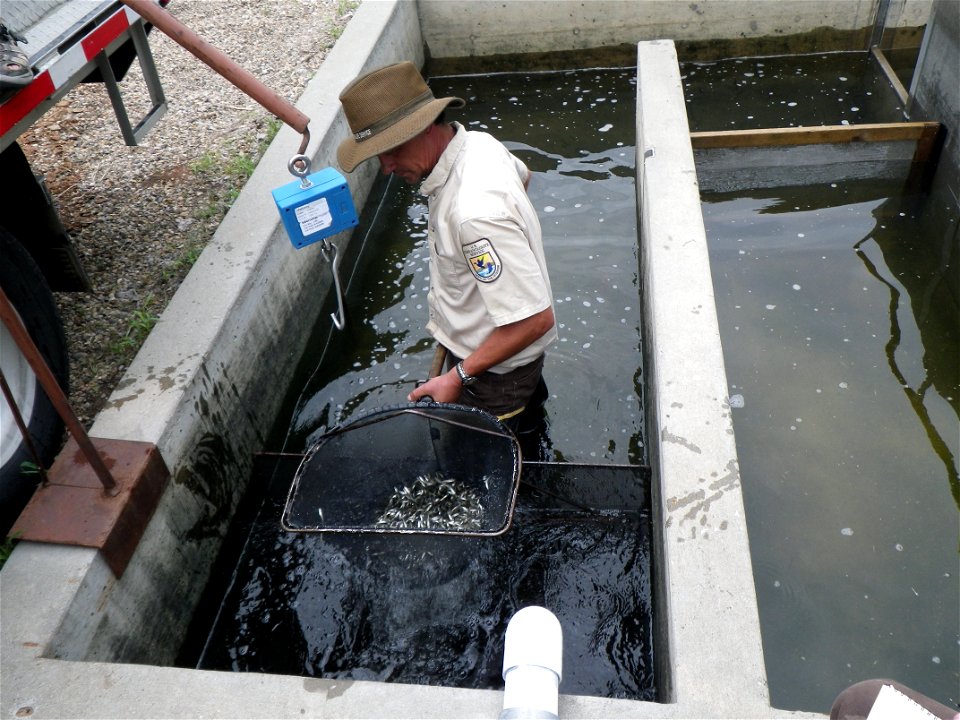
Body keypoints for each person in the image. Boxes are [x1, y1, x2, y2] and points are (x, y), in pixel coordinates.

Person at [336, 61, 557, 432]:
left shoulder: (473, 215)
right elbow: (525, 175)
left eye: (389, 151)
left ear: (422, 129)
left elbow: (535, 319)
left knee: (485, 456)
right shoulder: (479, 144)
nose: (386, 167)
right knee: (529, 425)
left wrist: (456, 378)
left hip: (494, 378)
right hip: (496, 356)